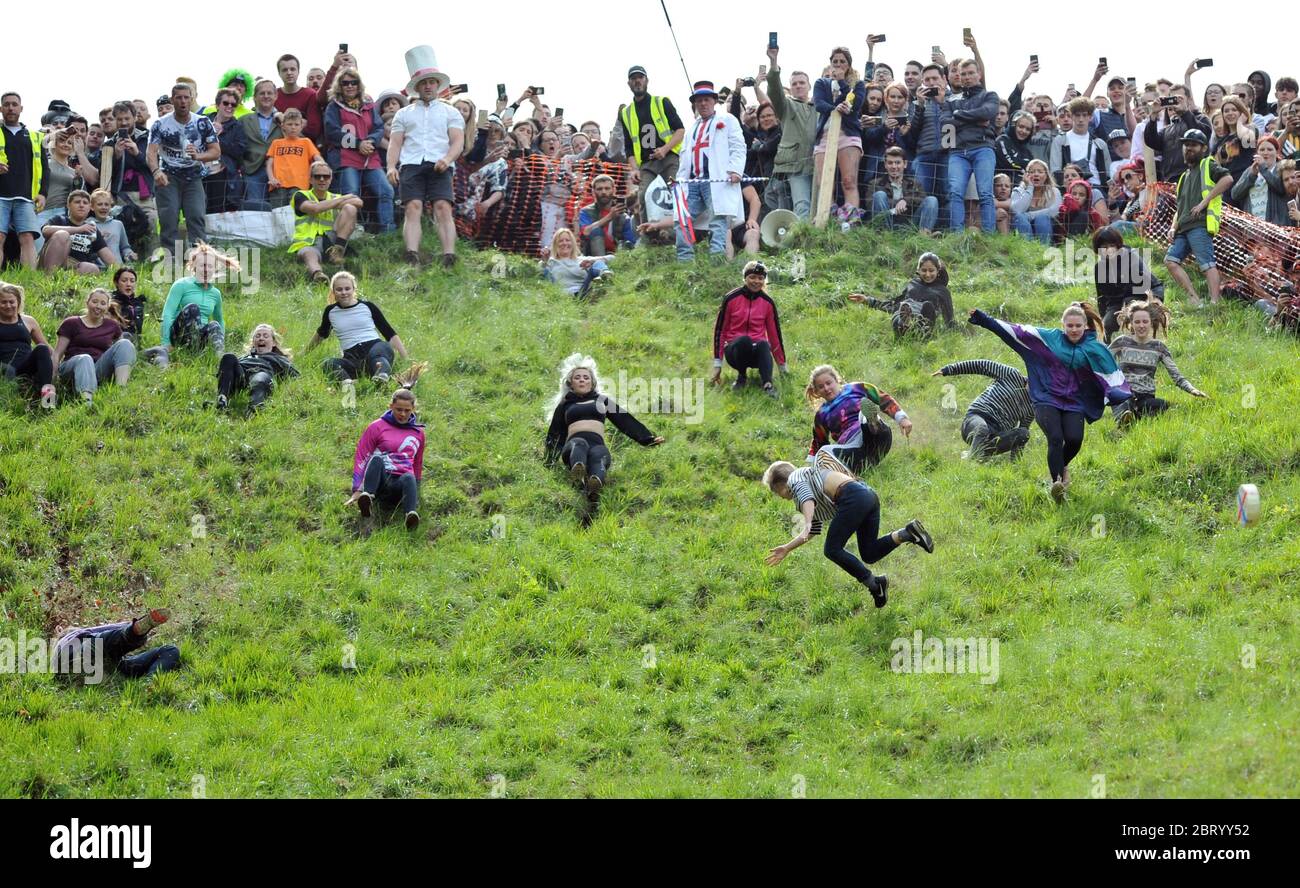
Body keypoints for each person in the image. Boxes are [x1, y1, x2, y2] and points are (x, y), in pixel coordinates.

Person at [969, 302, 1131, 502]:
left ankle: (1062, 467)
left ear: (1085, 326)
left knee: (1074, 439)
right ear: (1063, 325)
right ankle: (1057, 485)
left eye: (1078, 326)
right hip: (1047, 399)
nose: (1073, 330)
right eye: (1069, 326)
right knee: (1055, 438)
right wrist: (983, 319)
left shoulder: (1095, 348)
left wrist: (1119, 394)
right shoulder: (1048, 339)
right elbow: (1015, 332)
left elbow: (1111, 374)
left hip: (1074, 402)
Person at [761, 459, 932, 608]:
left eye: (776, 492)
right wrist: (787, 548)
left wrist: (805, 523)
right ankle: (908, 533)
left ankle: (875, 585)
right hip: (867, 496)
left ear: (780, 484)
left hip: (852, 496)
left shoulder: (796, 478)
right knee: (869, 553)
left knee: (832, 549)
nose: (779, 496)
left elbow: (806, 498)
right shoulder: (811, 485)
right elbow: (812, 531)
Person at [543, 354, 663, 505]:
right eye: (577, 377)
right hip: (573, 447)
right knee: (579, 443)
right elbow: (556, 432)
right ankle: (577, 473)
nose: (582, 380)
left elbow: (624, 420)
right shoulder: (565, 404)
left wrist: (648, 439)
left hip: (597, 444)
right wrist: (549, 460)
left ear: (592, 383)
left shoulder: (602, 401)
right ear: (570, 383)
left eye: (586, 378)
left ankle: (595, 484)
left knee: (600, 453)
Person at [387, 47, 464, 268]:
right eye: (424, 82)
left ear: (437, 85)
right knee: (413, 207)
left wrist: (448, 159)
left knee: (443, 207)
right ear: (417, 86)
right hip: (411, 164)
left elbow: (458, 141)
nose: (428, 86)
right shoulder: (403, 114)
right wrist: (391, 166)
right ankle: (411, 253)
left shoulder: (451, 112)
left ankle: (449, 255)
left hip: (440, 164)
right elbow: (395, 142)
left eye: (431, 82)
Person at [676, 80, 746, 261]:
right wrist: (679, 179)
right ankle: (684, 262)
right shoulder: (692, 127)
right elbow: (684, 157)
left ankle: (717, 263)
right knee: (682, 219)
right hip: (692, 182)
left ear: (714, 101)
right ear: (695, 104)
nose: (703, 104)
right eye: (699, 101)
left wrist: (735, 169)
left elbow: (738, 147)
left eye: (706, 99)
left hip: (716, 180)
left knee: (718, 221)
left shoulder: (728, 120)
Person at [147, 83, 219, 256]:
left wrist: (198, 156)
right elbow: (150, 152)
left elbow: (216, 151)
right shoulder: (160, 124)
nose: (183, 101)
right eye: (178, 97)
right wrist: (156, 171)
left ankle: (200, 259)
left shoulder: (202, 122)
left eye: (186, 97)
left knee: (196, 217)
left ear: (192, 99)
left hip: (193, 176)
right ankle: (170, 259)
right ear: (172, 100)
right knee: (168, 218)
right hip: (168, 176)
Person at [1108, 300, 1207, 426]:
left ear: (1151, 322)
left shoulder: (1159, 347)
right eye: (1137, 322)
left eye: (1145, 321)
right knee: (1121, 400)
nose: (1141, 325)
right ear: (1131, 324)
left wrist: (1192, 390)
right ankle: (1124, 420)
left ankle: (1134, 417)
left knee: (1163, 406)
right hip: (1124, 392)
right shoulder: (1121, 342)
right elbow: (1102, 361)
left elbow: (1176, 375)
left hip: (1146, 397)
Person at [1164, 130, 1233, 307]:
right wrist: (1173, 227)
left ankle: (1215, 302)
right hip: (1183, 227)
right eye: (1186, 145)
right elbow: (1180, 208)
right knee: (1171, 261)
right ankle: (1194, 298)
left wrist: (1204, 203)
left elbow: (1227, 179)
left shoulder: (1207, 164)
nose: (1189, 148)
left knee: (1207, 264)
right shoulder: (1184, 176)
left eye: (1193, 145)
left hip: (1200, 224)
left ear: (1203, 147)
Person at [304, 270, 408, 383]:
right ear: (333, 292)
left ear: (353, 289)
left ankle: (381, 376)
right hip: (352, 357)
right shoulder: (331, 311)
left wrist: (406, 358)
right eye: (339, 289)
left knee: (380, 352)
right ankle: (348, 382)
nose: (344, 292)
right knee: (328, 364)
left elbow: (389, 333)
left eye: (347, 288)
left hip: (375, 347)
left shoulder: (368, 306)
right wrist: (303, 353)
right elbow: (321, 334)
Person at [323, 68, 394, 233]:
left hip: (370, 157)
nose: (349, 86)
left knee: (386, 191)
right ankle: (348, 233)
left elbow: (378, 128)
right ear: (339, 86)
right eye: (345, 83)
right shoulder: (333, 107)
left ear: (359, 84)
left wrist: (370, 142)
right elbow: (332, 133)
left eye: (353, 82)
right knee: (351, 195)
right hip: (346, 158)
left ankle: (388, 232)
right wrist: (358, 144)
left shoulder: (369, 105)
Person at [806, 364, 912, 472]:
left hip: (878, 438)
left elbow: (883, 399)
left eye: (828, 383)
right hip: (853, 453)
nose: (826, 388)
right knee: (825, 450)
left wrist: (902, 418)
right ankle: (868, 427)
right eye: (821, 387)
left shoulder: (855, 388)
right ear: (817, 392)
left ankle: (872, 422)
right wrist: (813, 467)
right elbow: (819, 443)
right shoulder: (821, 414)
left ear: (836, 379)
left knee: (864, 416)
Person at [347, 389, 425, 531]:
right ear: (390, 406)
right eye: (398, 409)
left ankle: (410, 515)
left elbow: (418, 464)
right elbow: (362, 455)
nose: (402, 414)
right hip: (381, 483)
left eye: (407, 410)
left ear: (413, 409)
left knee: (409, 476)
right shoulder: (377, 426)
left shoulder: (418, 433)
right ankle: (367, 499)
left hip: (401, 486)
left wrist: (416, 492)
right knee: (376, 459)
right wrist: (357, 488)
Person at [711, 260, 786, 397]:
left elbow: (775, 335)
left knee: (764, 343)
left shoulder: (768, 303)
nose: (756, 281)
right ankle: (741, 377)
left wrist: (782, 367)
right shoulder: (731, 298)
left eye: (760, 278)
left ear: (764, 280)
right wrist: (717, 364)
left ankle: (768, 385)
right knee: (743, 340)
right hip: (735, 352)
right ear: (745, 278)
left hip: (757, 353)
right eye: (752, 277)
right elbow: (719, 331)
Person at [931, 359, 1033, 460]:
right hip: (976, 419)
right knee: (982, 428)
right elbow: (981, 365)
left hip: (995, 436)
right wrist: (949, 369)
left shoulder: (1033, 406)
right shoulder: (1012, 375)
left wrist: (1016, 464)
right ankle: (972, 459)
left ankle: (975, 454)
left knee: (1024, 433)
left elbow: (1021, 438)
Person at [620, 66, 685, 219]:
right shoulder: (625, 113)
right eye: (633, 78)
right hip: (646, 164)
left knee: (677, 193)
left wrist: (665, 148)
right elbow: (628, 146)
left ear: (647, 80)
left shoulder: (662, 102)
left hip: (669, 158)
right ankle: (647, 237)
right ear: (629, 83)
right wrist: (634, 168)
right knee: (643, 197)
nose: (637, 81)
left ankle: (683, 233)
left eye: (640, 77)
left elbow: (680, 130)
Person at [51, 288, 136, 404]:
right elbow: (57, 354)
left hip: (97, 369)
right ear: (87, 302)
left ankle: (120, 392)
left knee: (125, 343)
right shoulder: (71, 323)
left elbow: (121, 353)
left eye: (103, 303)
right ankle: (86, 402)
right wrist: (53, 381)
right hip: (72, 367)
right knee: (85, 358)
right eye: (94, 302)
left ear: (107, 307)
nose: (98, 306)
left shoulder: (112, 326)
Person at [812, 47, 868, 224]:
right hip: (825, 135)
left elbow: (856, 105)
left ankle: (851, 219)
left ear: (849, 65)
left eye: (842, 61)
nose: (838, 64)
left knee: (848, 180)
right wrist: (834, 109)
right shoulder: (821, 83)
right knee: (824, 182)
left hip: (848, 134)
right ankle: (826, 218)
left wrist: (843, 83)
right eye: (835, 61)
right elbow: (819, 104)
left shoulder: (857, 85)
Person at [944, 58, 999, 231]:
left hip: (983, 148)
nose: (967, 77)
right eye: (963, 74)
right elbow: (945, 126)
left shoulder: (989, 95)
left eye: (971, 73)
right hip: (957, 152)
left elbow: (988, 112)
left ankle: (989, 237)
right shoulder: (951, 101)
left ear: (979, 74)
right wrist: (975, 119)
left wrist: (959, 115)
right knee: (955, 193)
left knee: (985, 194)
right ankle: (956, 236)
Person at [53, 608, 179, 684]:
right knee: (169, 650)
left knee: (115, 651)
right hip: (87, 650)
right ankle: (150, 683)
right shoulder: (75, 635)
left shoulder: (56, 656)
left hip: (99, 667)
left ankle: (149, 683)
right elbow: (110, 631)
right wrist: (132, 627)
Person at [762, 42, 815, 217]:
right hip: (796, 166)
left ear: (809, 86)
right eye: (794, 84)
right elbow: (775, 90)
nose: (798, 86)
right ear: (790, 87)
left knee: (821, 206)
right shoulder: (786, 106)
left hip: (819, 164)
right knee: (802, 205)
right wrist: (773, 62)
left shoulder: (820, 107)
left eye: (802, 83)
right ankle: (803, 243)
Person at [158, 244, 235, 364]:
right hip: (179, 334)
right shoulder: (181, 285)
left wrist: (221, 340)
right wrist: (166, 342)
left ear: (214, 269)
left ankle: (220, 360)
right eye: (202, 265)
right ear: (194, 266)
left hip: (200, 337)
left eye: (209, 266)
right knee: (193, 308)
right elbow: (167, 313)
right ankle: (190, 352)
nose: (206, 269)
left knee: (214, 324)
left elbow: (220, 320)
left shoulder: (215, 293)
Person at [848, 251, 954, 336]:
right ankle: (905, 323)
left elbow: (950, 319)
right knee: (901, 309)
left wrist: (964, 329)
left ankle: (918, 326)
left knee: (927, 307)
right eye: (924, 270)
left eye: (931, 271)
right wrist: (867, 300)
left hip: (925, 316)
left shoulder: (942, 291)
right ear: (918, 270)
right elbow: (893, 304)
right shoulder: (913, 284)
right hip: (904, 312)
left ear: (938, 271)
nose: (927, 274)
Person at [290, 162, 364, 283]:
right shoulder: (300, 195)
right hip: (309, 241)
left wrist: (334, 202)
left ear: (331, 179)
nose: (322, 179)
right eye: (317, 176)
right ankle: (318, 274)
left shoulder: (334, 196)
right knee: (309, 253)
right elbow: (314, 209)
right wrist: (343, 198)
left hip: (332, 239)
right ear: (310, 179)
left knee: (350, 208)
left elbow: (359, 202)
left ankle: (338, 251)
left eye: (326, 176)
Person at [1092, 226, 1164, 341]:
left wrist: (1155, 302)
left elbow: (1155, 284)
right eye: (1104, 247)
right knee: (1107, 326)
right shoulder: (1099, 268)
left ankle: (1140, 344)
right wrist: (1103, 318)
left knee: (1130, 309)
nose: (1109, 250)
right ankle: (1108, 352)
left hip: (1139, 300)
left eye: (1112, 246)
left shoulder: (1132, 259)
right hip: (1116, 304)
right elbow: (1102, 297)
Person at [0, 91, 46, 269]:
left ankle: (29, 280)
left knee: (27, 237)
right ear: (1, 108)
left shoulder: (35, 136)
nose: (11, 108)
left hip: (26, 197)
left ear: (21, 108)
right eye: (7, 104)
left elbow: (44, 167)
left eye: (14, 104)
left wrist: (43, 193)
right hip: (1, 195)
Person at [215, 323, 298, 413]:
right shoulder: (245, 357)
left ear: (273, 342)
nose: (261, 338)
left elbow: (295, 376)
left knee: (260, 378)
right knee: (228, 357)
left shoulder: (277, 358)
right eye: (257, 336)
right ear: (253, 342)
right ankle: (222, 399)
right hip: (241, 374)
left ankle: (254, 408)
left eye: (265, 336)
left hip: (260, 373)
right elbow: (226, 371)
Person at [0, 280, 56, 406]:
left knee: (42, 349)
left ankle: (47, 397)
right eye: (3, 302)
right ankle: (13, 402)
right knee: (7, 369)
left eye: (11, 302)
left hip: (26, 365)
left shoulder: (28, 321)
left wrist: (58, 363)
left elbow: (47, 348)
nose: (8, 305)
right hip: (4, 366)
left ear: (18, 302)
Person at [1142, 88, 1211, 182]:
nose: (1175, 103)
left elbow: (1203, 134)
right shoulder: (1168, 129)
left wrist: (1185, 113)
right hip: (1170, 181)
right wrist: (1153, 115)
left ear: (1189, 100)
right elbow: (1151, 142)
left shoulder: (1200, 118)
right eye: (1172, 99)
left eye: (1179, 98)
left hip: (1195, 177)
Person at [39, 190, 117, 273]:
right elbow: (45, 230)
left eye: (85, 203)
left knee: (92, 268)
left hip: (75, 267)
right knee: (62, 235)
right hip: (50, 261)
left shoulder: (92, 229)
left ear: (89, 207)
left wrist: (122, 272)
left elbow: (109, 259)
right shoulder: (59, 220)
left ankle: (63, 280)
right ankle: (49, 278)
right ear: (68, 205)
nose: (81, 205)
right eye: (77, 202)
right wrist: (79, 229)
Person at [868, 146, 938, 233]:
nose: (894, 166)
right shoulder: (875, 183)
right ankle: (884, 237)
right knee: (879, 195)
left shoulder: (915, 183)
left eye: (897, 163)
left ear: (905, 164)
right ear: (885, 165)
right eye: (890, 163)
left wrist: (905, 201)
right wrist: (898, 204)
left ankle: (924, 236)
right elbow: (870, 205)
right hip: (887, 223)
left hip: (910, 225)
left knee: (932, 200)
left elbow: (923, 200)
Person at [238, 80, 284, 211]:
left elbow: (298, 139)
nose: (266, 96)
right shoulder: (244, 120)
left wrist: (283, 122)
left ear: (276, 96)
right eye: (262, 93)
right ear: (255, 97)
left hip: (278, 171)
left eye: (270, 93)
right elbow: (237, 146)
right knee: (256, 211)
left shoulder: (285, 119)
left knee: (278, 210)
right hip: (253, 171)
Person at [1049, 97, 1110, 188]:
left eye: (1084, 115)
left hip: (1096, 187)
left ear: (1090, 117)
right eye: (1077, 115)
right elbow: (1055, 170)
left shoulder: (1099, 144)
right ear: (1072, 116)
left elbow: (1108, 172)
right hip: (1070, 188)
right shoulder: (1060, 140)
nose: (1081, 119)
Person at [203, 87, 247, 212]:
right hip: (200, 172)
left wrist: (216, 140)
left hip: (224, 175)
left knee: (217, 212)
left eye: (233, 104)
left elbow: (240, 150)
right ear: (217, 105)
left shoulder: (237, 126)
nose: (230, 107)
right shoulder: (203, 120)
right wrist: (210, 132)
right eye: (226, 103)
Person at [265, 108, 323, 202]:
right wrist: (271, 179)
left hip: (299, 185)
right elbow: (269, 164)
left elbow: (318, 159)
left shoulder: (306, 142)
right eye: (289, 124)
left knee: (295, 214)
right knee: (278, 214)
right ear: (283, 126)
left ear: (301, 126)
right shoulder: (276, 143)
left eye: (296, 124)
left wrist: (323, 170)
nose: (293, 127)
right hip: (278, 185)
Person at [1230, 136, 1288, 224]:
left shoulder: (1282, 169)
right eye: (1262, 150)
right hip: (1253, 228)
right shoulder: (1249, 171)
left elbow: (1281, 188)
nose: (1265, 152)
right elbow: (1235, 194)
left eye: (1270, 149)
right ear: (1257, 153)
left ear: (1277, 153)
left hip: (1276, 229)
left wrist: (1263, 169)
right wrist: (1252, 175)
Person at [576, 174, 636, 256]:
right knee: (596, 230)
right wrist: (609, 217)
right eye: (599, 189)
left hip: (617, 256)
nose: (603, 192)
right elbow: (586, 232)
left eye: (607, 188)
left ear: (613, 190)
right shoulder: (586, 211)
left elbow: (630, 243)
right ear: (593, 192)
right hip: (592, 256)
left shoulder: (623, 217)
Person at [543, 228, 612, 297]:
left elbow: (612, 257)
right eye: (561, 241)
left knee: (597, 263)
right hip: (564, 296)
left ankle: (605, 275)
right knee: (546, 270)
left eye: (567, 240)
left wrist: (592, 261)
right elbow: (539, 271)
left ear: (572, 243)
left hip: (583, 292)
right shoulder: (551, 261)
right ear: (555, 244)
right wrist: (545, 259)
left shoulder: (582, 259)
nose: (565, 243)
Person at [1008, 159, 1061, 244]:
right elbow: (1016, 210)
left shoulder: (1054, 191)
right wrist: (1030, 187)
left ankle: (1043, 249)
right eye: (1032, 172)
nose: (1036, 174)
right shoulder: (1018, 190)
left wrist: (1029, 215)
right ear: (1026, 175)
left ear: (1046, 175)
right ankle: (1028, 249)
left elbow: (1054, 211)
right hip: (1024, 228)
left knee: (1042, 218)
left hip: (1046, 230)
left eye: (1040, 172)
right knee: (1020, 217)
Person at [89, 189, 136, 265]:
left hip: (117, 267)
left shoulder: (118, 224)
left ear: (111, 207)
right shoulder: (87, 225)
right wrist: (97, 238)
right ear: (92, 207)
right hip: (97, 268)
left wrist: (130, 254)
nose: (103, 207)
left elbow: (125, 247)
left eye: (106, 204)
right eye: (100, 204)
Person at [110, 266, 147, 346]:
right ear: (116, 282)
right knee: (126, 336)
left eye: (132, 281)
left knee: (161, 351)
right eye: (124, 280)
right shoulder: (109, 301)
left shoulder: (138, 303)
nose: (128, 284)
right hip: (115, 343)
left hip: (135, 345)